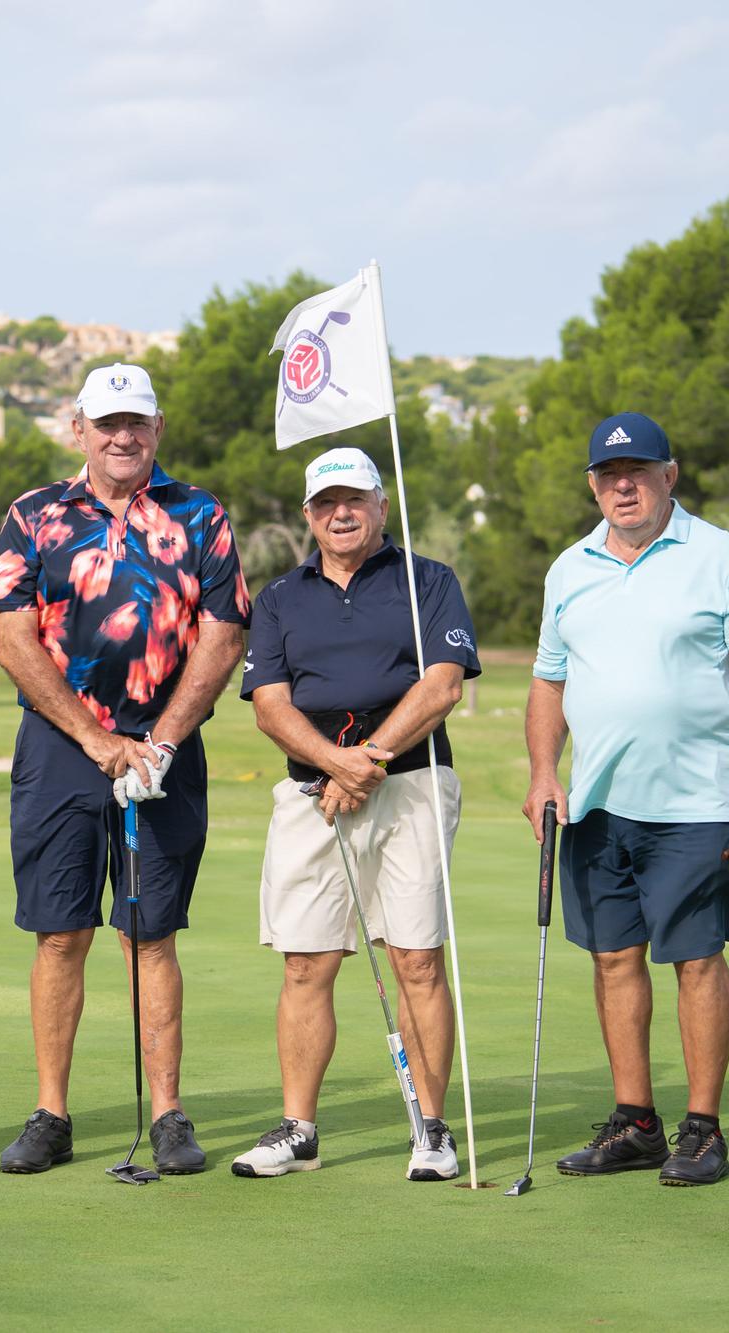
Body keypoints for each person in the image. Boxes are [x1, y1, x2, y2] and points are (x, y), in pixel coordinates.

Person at [0, 363, 248, 1175]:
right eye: (107, 423)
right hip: (62, 752)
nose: (122, 436)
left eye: (136, 422)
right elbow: (12, 638)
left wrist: (159, 742)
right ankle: (52, 1113)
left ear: (156, 429)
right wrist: (97, 740)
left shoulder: (200, 513)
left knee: (150, 936)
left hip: (165, 748)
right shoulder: (36, 515)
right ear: (79, 428)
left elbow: (223, 637)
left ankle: (167, 1114)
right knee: (60, 934)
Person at [522, 411, 729, 1187]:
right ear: (594, 485)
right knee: (612, 959)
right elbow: (548, 678)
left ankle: (702, 1128)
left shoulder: (721, 558)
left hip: (694, 802)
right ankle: (635, 1120)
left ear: (669, 476)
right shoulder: (569, 567)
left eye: (638, 471)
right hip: (597, 804)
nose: (623, 485)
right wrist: (544, 771)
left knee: (696, 960)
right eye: (609, 475)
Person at [229, 446, 480, 1182]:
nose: (341, 513)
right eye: (326, 502)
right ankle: (299, 1130)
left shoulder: (426, 580)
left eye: (355, 499)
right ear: (308, 514)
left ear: (380, 504)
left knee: (417, 959)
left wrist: (362, 760)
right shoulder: (279, 597)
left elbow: (441, 687)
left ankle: (432, 1130)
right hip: (314, 795)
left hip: (411, 786)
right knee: (307, 961)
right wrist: (336, 765)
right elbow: (270, 705)